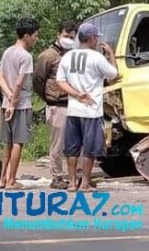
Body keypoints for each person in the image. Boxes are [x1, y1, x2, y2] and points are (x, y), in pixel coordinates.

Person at [56, 23, 121, 192]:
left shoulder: (68, 57)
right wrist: (111, 54)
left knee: (72, 148)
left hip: (73, 109)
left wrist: (76, 95)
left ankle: (71, 183)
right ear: (92, 39)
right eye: (96, 37)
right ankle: (84, 183)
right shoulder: (96, 58)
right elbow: (114, 75)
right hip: (91, 110)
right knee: (90, 148)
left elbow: (60, 81)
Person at [33, 21, 77, 190]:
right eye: (66, 36)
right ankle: (57, 176)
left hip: (73, 103)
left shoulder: (73, 54)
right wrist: (48, 97)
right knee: (57, 143)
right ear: (58, 35)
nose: (69, 39)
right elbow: (38, 80)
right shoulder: (48, 56)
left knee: (73, 143)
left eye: (72, 37)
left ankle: (74, 175)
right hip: (56, 105)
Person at [0, 18, 40, 190]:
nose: (36, 39)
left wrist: (8, 98)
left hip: (6, 102)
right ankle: (11, 180)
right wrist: (14, 103)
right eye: (35, 36)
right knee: (18, 142)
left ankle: (1, 179)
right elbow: (19, 83)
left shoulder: (7, 52)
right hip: (20, 104)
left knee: (7, 142)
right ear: (27, 36)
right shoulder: (26, 56)